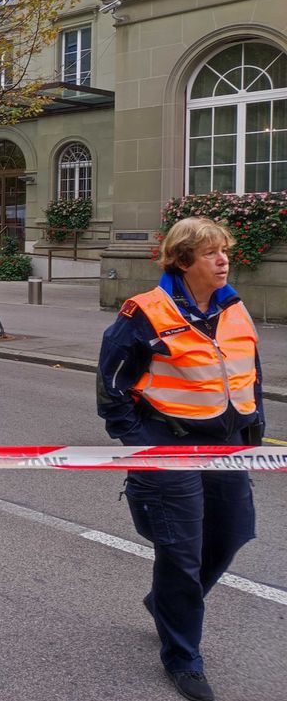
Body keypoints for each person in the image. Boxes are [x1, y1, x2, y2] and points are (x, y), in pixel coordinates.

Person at [97, 216, 265, 701]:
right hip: (169, 446)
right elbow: (113, 384)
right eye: (212, 252)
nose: (223, 259)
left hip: (228, 446)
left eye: (225, 250)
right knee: (181, 551)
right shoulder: (144, 312)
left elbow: (249, 372)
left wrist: (254, 430)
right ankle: (183, 656)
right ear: (184, 259)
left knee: (233, 533)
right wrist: (140, 442)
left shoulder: (235, 308)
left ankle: (166, 605)